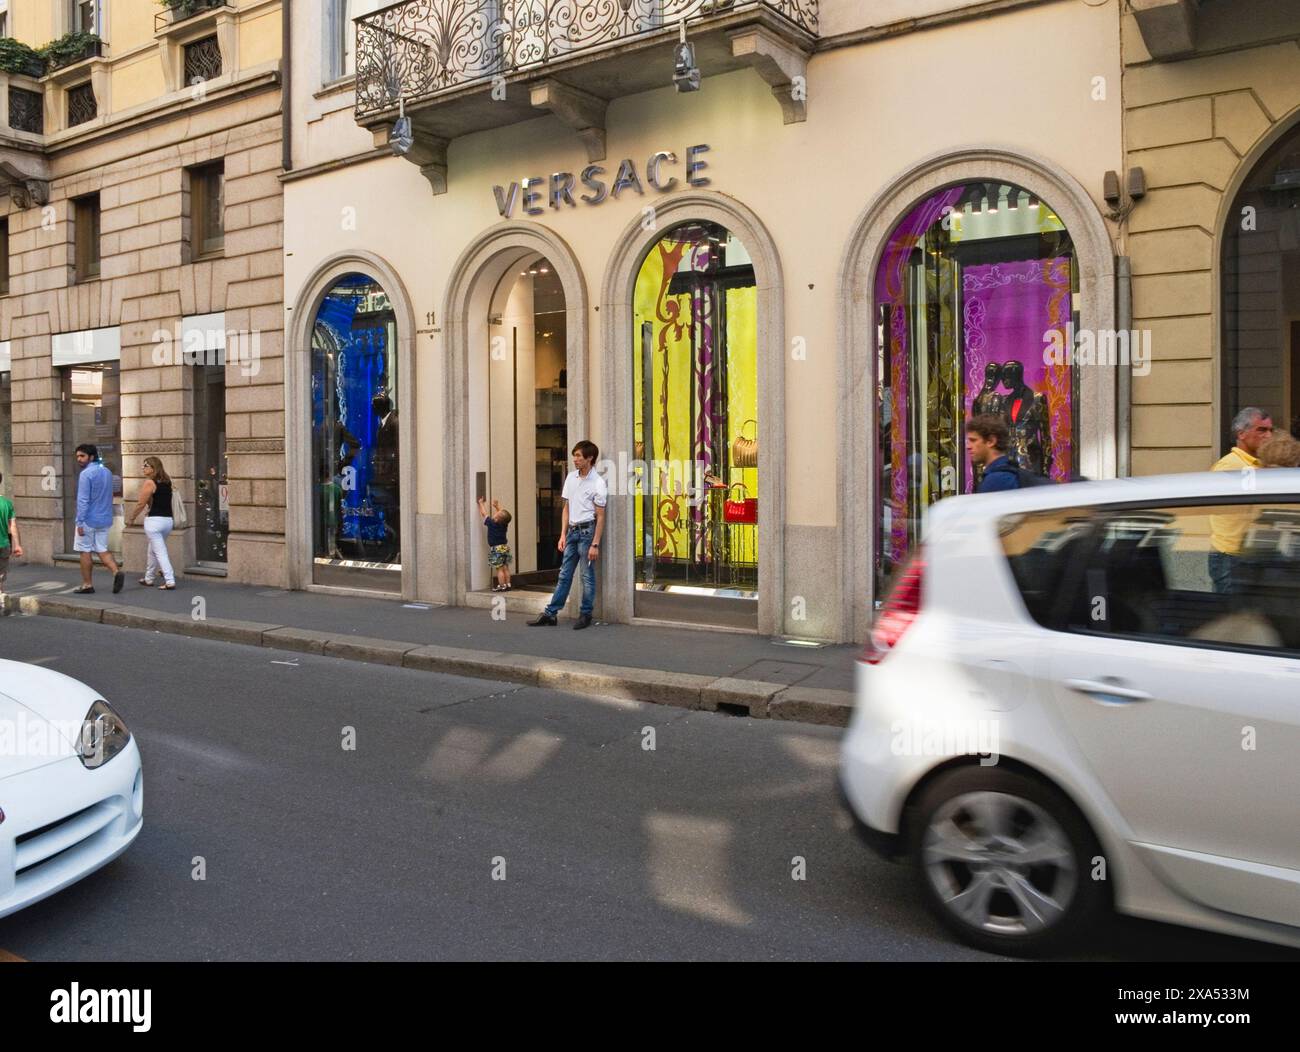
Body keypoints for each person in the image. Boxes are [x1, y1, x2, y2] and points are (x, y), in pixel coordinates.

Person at [529, 440, 607, 629]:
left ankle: (586, 614)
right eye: (575, 455)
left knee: (586, 576)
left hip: (587, 532)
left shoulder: (598, 482)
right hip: (572, 531)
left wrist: (595, 544)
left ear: (590, 458)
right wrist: (562, 534)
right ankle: (551, 613)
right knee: (564, 574)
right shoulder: (571, 478)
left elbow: (601, 515)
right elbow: (566, 507)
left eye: (579, 456)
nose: (575, 459)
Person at [1209, 407, 1275, 593]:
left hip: (1248, 556)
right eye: (1261, 430)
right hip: (1232, 558)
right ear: (1242, 434)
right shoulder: (1231, 466)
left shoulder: (1257, 465)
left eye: (1271, 430)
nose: (1268, 436)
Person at [73, 443, 123, 595]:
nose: (79, 459)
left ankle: (87, 584)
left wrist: (79, 522)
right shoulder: (107, 472)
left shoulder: (85, 474)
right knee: (102, 548)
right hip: (105, 518)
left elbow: (83, 500)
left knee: (84, 551)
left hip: (88, 519)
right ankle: (116, 572)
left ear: (92, 457)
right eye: (77, 457)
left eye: (82, 456)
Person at [126, 456, 176, 589]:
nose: (143, 468)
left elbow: (141, 503)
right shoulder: (167, 481)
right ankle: (149, 578)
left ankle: (170, 580)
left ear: (154, 468)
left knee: (160, 552)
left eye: (146, 465)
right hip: (168, 521)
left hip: (154, 521)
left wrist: (131, 518)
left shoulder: (149, 482)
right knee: (153, 550)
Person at [965, 415, 1020, 493]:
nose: (968, 446)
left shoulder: (997, 480)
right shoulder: (1010, 470)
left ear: (991, 441)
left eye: (973, 440)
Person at [478, 495, 513, 591]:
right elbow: (503, 515)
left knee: (499, 569)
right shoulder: (504, 524)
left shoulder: (491, 523)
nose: (495, 514)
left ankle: (501, 586)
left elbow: (483, 513)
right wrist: (497, 506)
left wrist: (481, 503)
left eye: (496, 514)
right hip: (505, 547)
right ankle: (508, 584)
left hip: (496, 548)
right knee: (505, 567)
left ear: (496, 519)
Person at [0, 472, 23, 600]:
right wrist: (17, 545)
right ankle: (0, 596)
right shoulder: (7, 503)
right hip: (4, 544)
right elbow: (13, 526)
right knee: (1, 575)